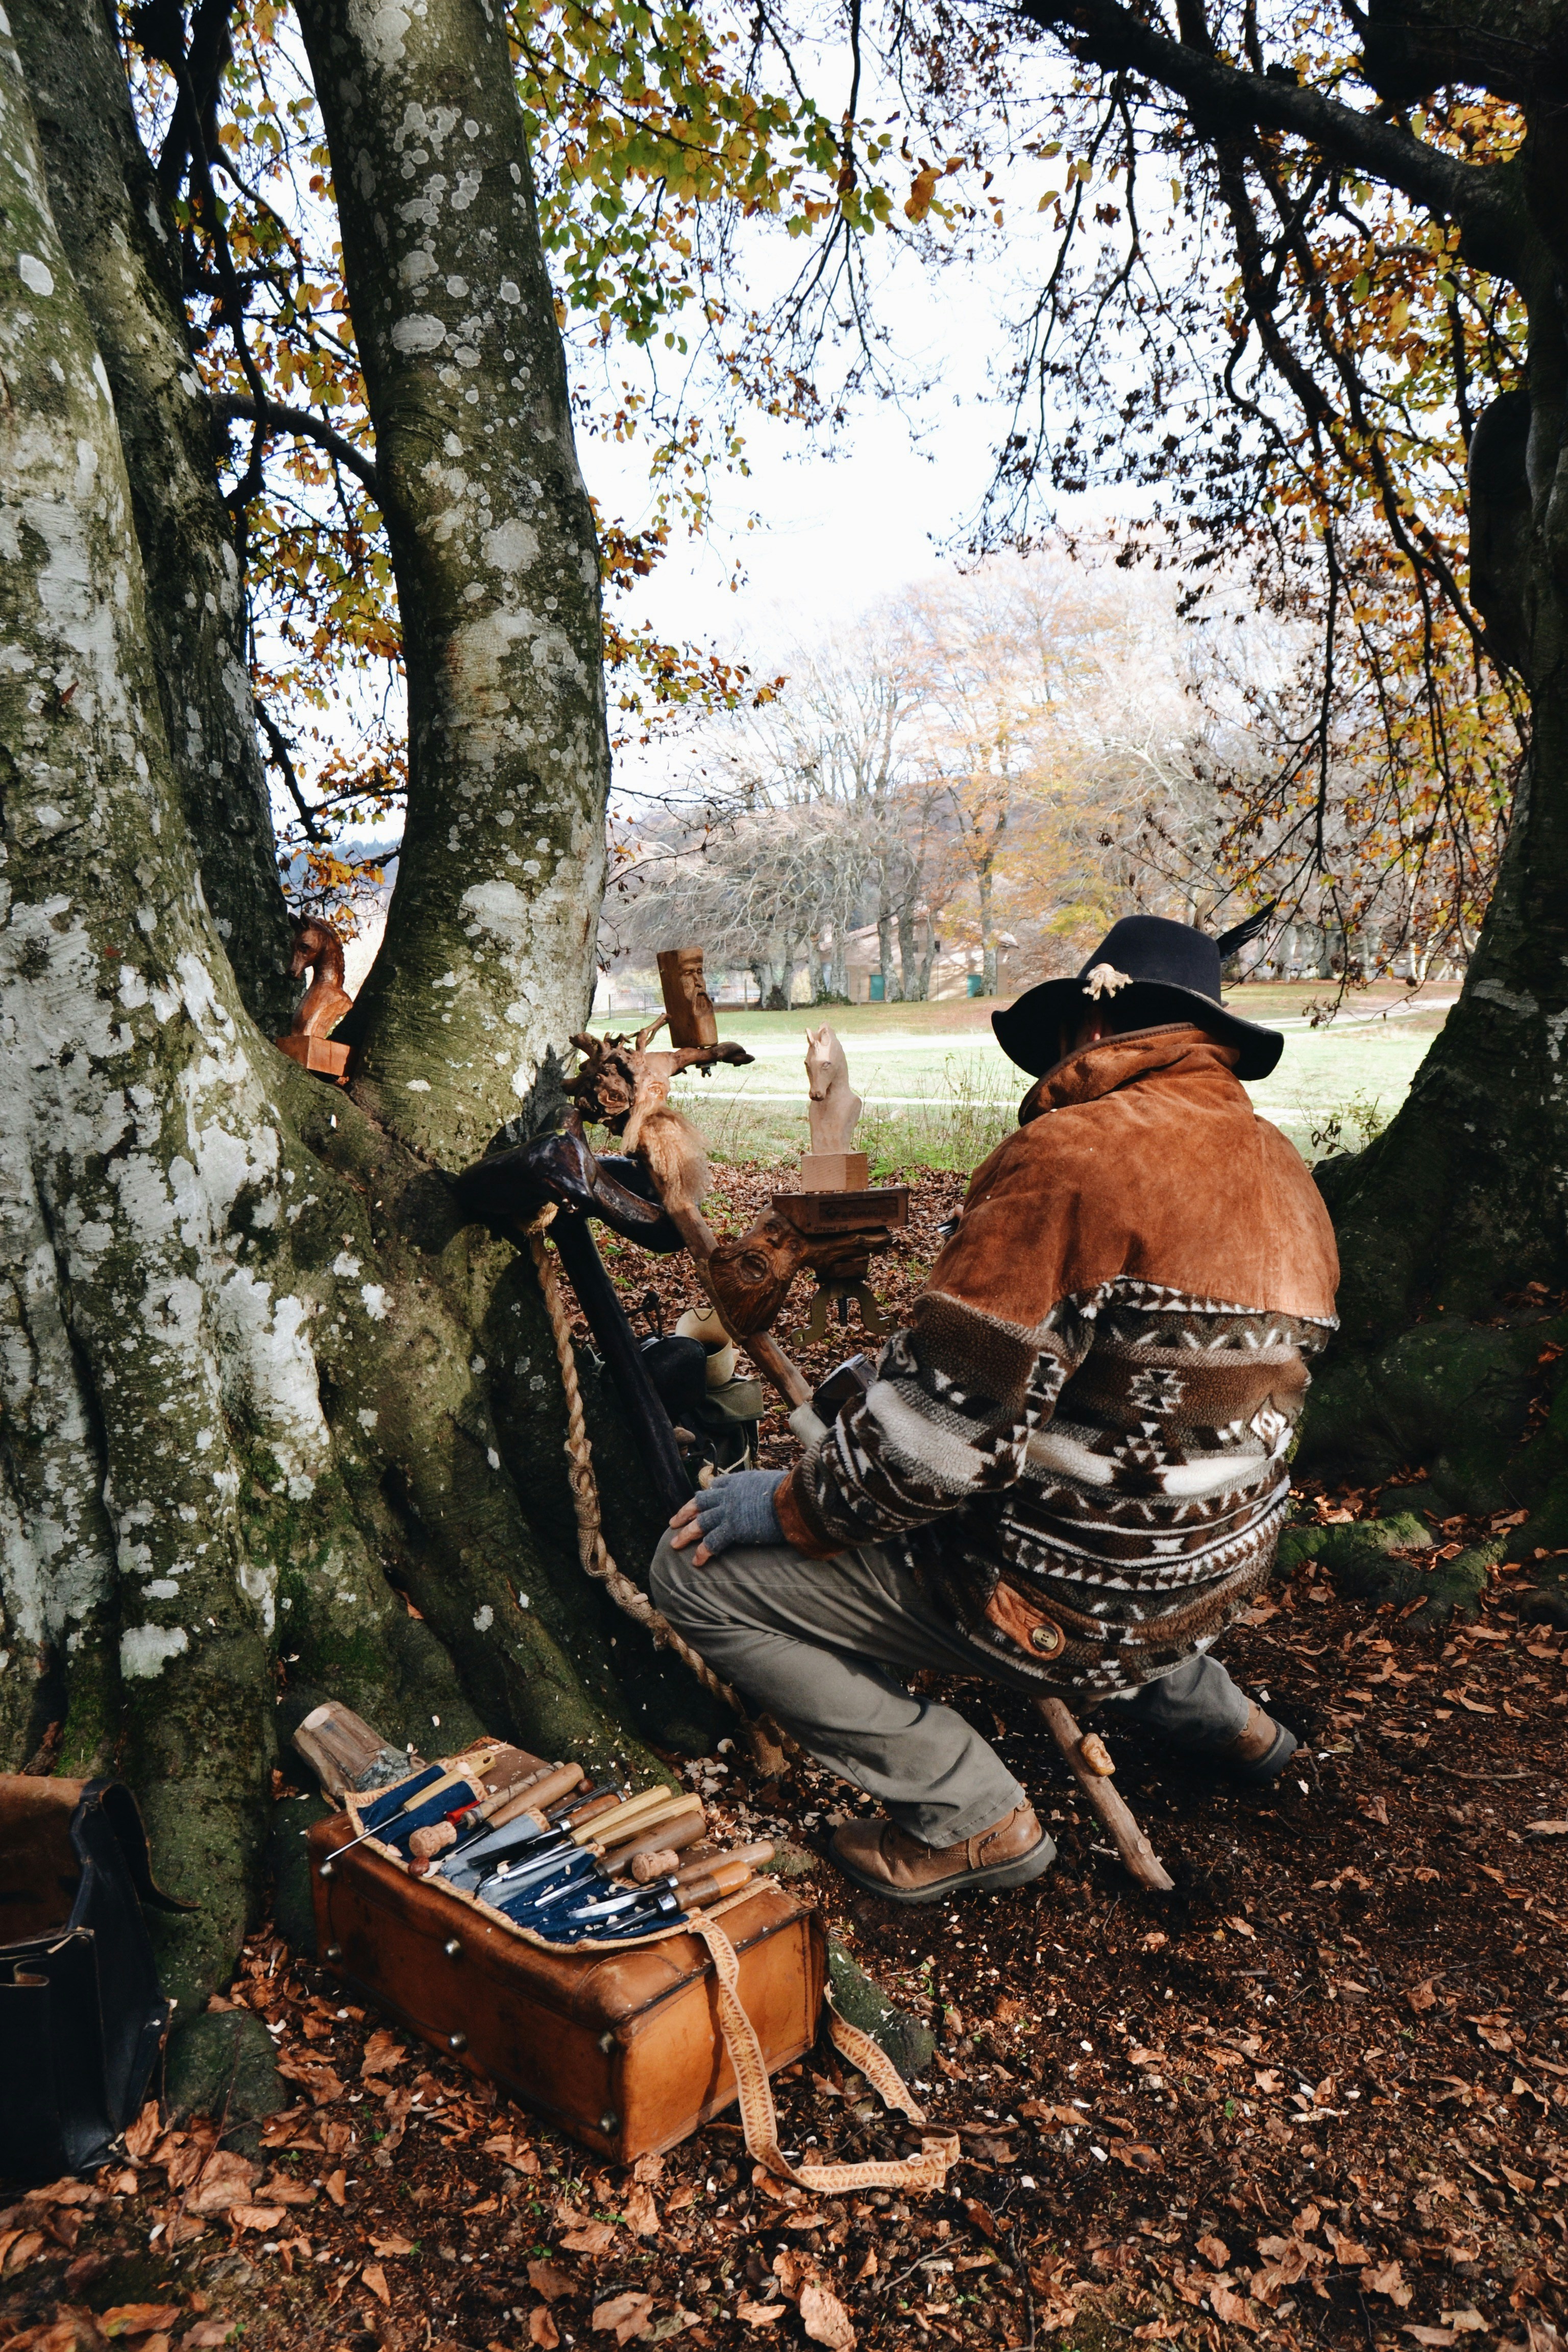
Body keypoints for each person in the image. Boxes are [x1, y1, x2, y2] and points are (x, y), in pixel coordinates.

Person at [650, 915, 1339, 1904]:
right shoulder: (1287, 1175)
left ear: (1091, 1033)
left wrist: (788, 1506)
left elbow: (933, 1454)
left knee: (690, 1575)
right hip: (1213, 1580)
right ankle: (1234, 1725)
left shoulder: (1070, 1158)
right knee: (1139, 1510)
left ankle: (969, 1812)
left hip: (1070, 1607)